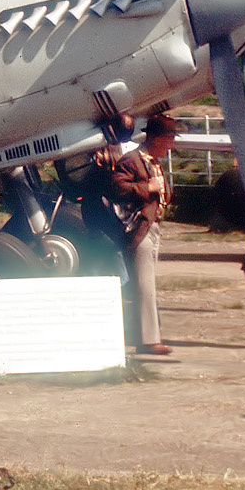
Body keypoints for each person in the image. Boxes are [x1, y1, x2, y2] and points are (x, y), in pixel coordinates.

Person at [81, 113, 179, 355]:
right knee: (144, 286)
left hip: (151, 227)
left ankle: (145, 337)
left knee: (146, 285)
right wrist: (148, 188)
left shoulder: (150, 160)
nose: (172, 144)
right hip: (139, 229)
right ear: (156, 139)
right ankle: (148, 341)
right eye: (169, 138)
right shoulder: (132, 160)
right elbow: (117, 187)